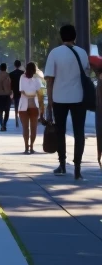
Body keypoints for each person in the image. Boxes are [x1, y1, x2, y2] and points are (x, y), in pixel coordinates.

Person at [44, 23, 89, 179]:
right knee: (79, 133)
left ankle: (62, 165)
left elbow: (49, 80)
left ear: (61, 36)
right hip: (79, 97)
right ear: (75, 36)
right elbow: (87, 73)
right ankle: (77, 167)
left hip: (59, 98)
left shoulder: (55, 53)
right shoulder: (83, 53)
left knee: (60, 131)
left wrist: (49, 104)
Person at [18, 62, 44, 154]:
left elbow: (21, 91)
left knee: (25, 128)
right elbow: (40, 94)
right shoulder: (37, 79)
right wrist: (42, 109)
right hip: (34, 105)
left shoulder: (22, 78)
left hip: (23, 106)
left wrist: (27, 94)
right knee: (33, 128)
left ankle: (26, 147)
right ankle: (31, 147)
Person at [0, 63, 12, 131]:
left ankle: (1, 125)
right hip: (7, 95)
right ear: (6, 68)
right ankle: (4, 124)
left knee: (0, 111)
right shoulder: (8, 75)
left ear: (0, 68)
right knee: (7, 111)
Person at [8, 60, 24, 128]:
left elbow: (10, 84)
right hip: (21, 92)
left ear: (14, 65)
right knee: (22, 107)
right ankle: (21, 119)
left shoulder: (11, 74)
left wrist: (10, 91)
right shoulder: (23, 73)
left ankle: (16, 120)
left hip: (15, 92)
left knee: (16, 106)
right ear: (20, 65)